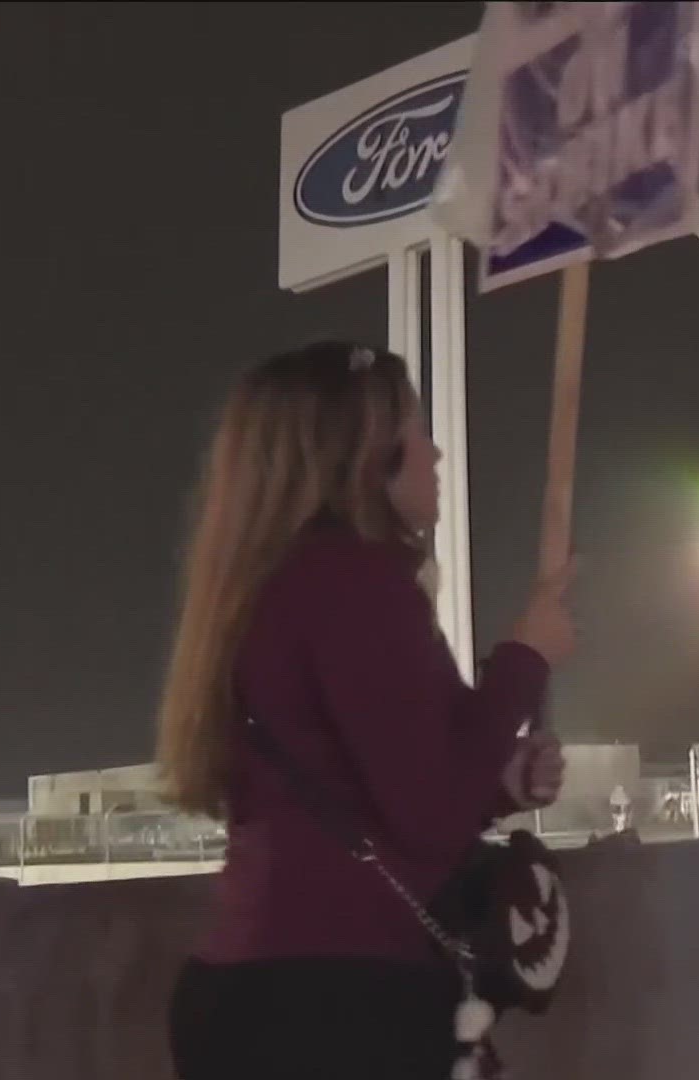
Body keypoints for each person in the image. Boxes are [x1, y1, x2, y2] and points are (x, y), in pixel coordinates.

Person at [157, 342, 575, 1080]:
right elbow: (429, 812)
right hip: (341, 1007)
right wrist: (523, 658)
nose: (436, 454)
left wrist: (501, 782)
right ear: (368, 456)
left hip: (245, 989)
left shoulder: (265, 589)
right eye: (415, 432)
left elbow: (365, 789)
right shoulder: (353, 583)